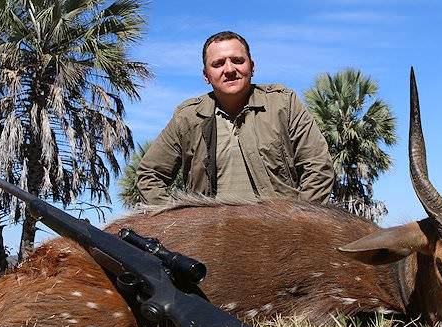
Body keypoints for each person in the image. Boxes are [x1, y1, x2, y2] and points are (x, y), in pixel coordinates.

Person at [136, 31, 334, 205]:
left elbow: (318, 167)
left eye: (238, 60)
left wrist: (298, 223)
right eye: (218, 64)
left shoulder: (284, 103)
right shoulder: (187, 117)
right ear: (206, 75)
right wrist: (180, 222)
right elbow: (149, 174)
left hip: (280, 235)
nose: (229, 69)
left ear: (252, 67)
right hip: (211, 238)